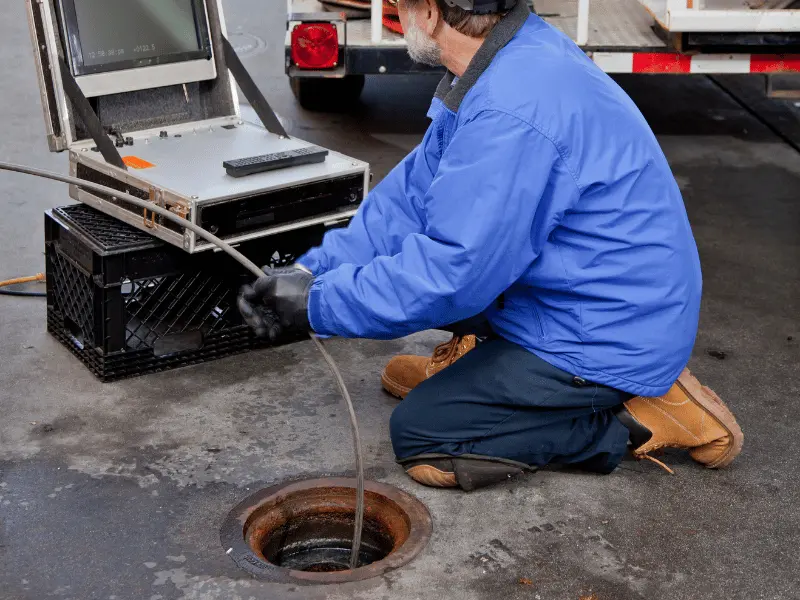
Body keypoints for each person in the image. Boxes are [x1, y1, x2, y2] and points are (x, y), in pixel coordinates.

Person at [239, 0, 743, 491]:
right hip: (581, 292)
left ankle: (640, 417)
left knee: (426, 436)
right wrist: (311, 274)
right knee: (419, 267)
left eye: (399, 2)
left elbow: (452, 274)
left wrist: (319, 307)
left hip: (607, 330)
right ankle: (492, 377)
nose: (396, 11)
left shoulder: (511, 109)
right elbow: (407, 203)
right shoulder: (505, 58)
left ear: (432, 13)